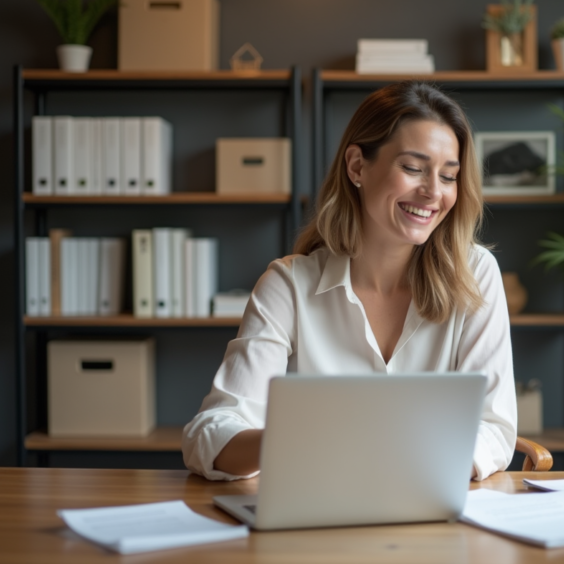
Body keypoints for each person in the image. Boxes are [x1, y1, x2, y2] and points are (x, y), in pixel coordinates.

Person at [182, 81, 516, 482]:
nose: (433, 192)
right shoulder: (288, 285)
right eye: (413, 168)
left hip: (433, 515)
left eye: (448, 176)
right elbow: (208, 435)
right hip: (317, 517)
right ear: (357, 166)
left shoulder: (475, 274)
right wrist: (300, 440)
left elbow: (494, 428)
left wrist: (406, 462)